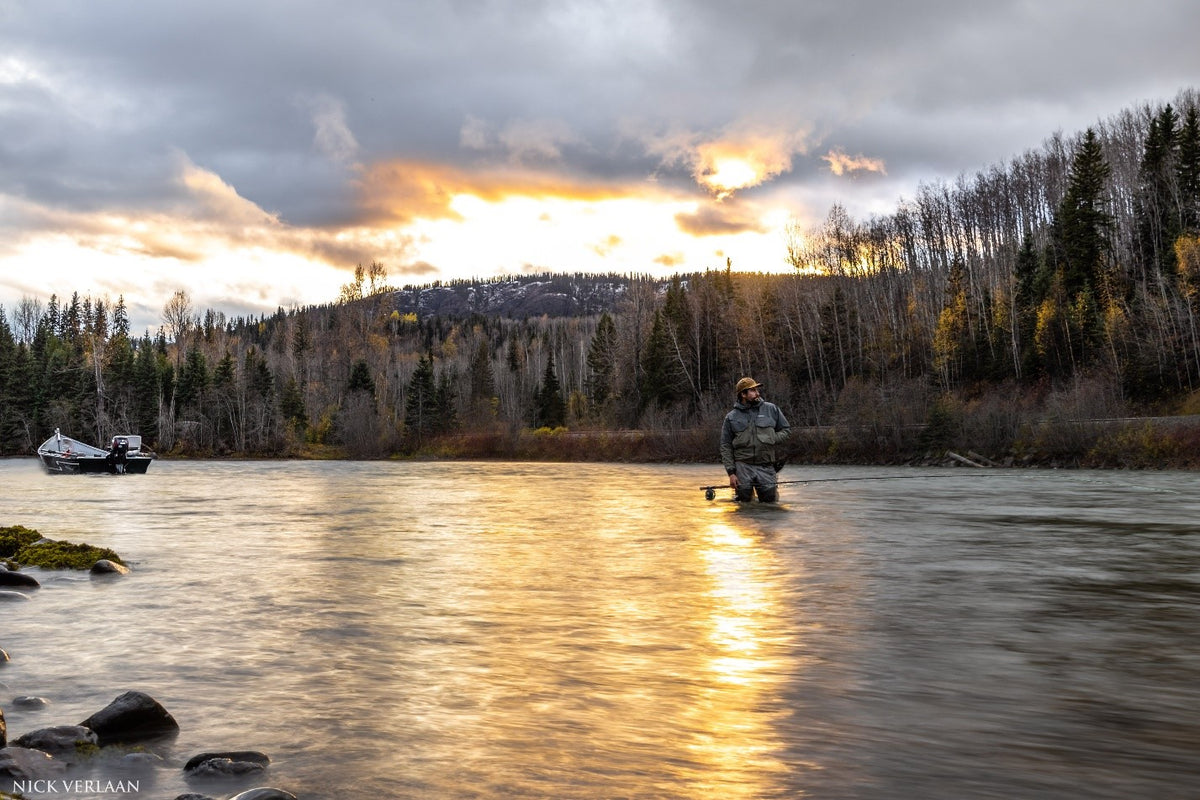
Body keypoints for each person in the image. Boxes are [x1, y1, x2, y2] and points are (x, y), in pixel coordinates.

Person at [719, 377, 790, 502]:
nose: (757, 393)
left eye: (757, 389)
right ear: (743, 394)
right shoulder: (731, 417)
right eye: (753, 390)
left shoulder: (772, 409)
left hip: (766, 466)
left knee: (770, 504)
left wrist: (772, 438)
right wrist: (731, 473)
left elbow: (786, 431)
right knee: (744, 504)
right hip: (742, 467)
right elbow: (725, 445)